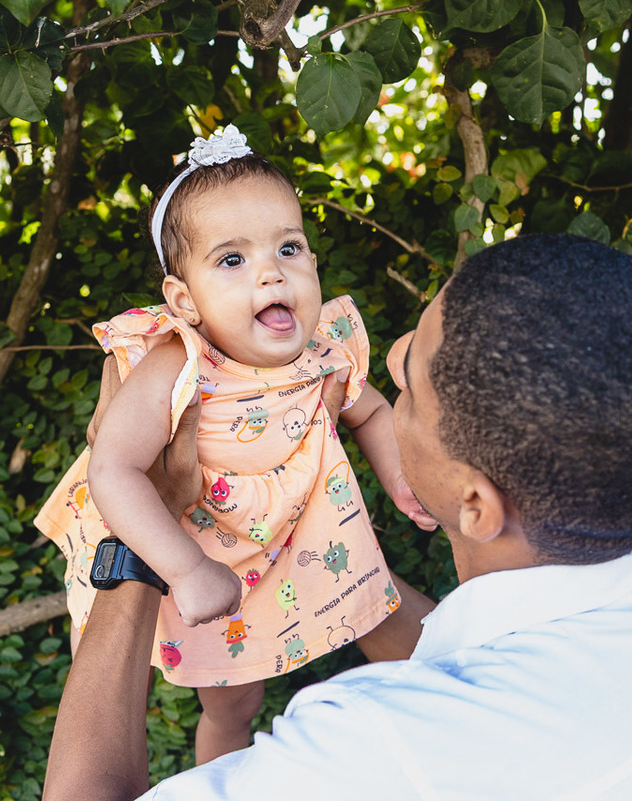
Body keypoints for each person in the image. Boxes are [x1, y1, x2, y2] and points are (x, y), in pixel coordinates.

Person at [43, 232, 632, 800]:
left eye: (412, 385)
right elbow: (469, 667)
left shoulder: (372, 747)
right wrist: (304, 543)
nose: (388, 355)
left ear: (475, 502)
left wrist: (139, 542)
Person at [33, 125, 436, 764]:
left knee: (369, 600)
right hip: (186, 549)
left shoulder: (323, 345)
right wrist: (185, 569)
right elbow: (113, 469)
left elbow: (370, 410)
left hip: (292, 536)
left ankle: (451, 693)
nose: (272, 274)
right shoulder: (176, 361)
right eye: (232, 260)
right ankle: (219, 764)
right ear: (183, 300)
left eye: (290, 247)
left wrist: (401, 476)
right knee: (229, 701)